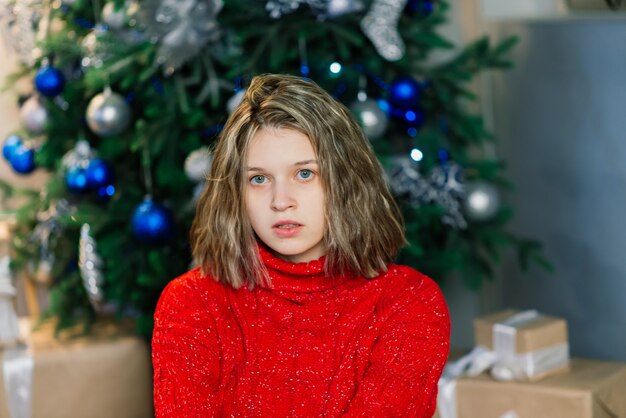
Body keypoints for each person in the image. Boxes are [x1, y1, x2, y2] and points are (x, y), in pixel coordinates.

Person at [152, 73, 450, 417]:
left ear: (345, 180)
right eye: (259, 179)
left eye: (304, 174)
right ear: (236, 193)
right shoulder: (191, 303)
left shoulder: (409, 302)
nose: (281, 201)